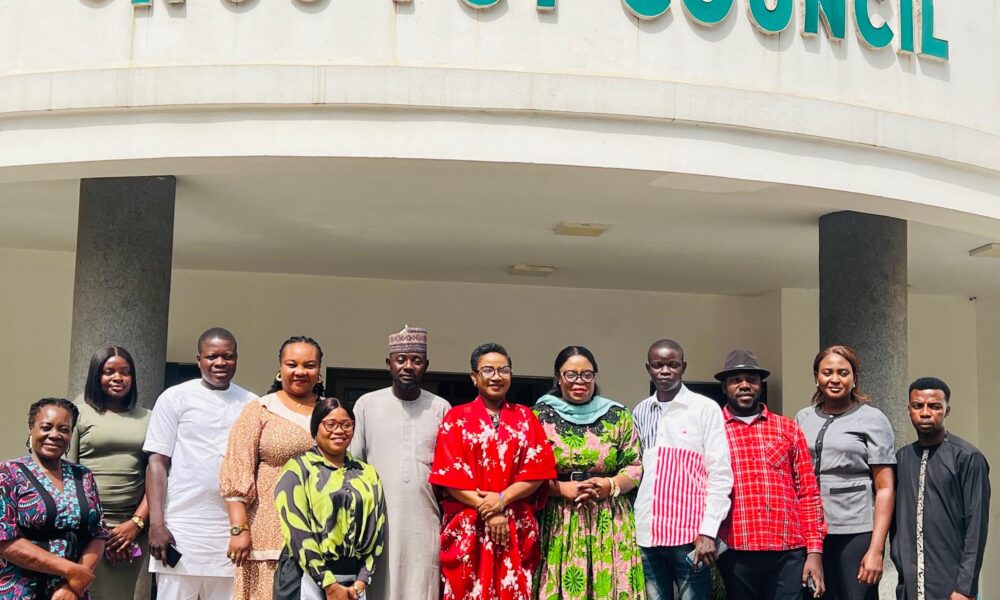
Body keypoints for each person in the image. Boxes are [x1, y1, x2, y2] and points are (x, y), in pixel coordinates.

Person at [429, 342, 557, 600]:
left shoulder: (525, 417)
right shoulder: (456, 418)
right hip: (469, 527)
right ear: (474, 377)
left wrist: (502, 500)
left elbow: (537, 471)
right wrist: (488, 509)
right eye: (488, 370)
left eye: (503, 370)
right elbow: (449, 477)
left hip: (514, 527)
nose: (496, 377)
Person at [144, 328, 257, 600]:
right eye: (212, 356)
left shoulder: (251, 403)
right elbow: (157, 463)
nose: (220, 362)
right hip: (182, 529)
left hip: (230, 533)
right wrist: (156, 524)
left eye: (227, 356)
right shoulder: (175, 397)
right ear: (199, 359)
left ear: (237, 358)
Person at [533, 345, 645, 600]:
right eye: (571, 374)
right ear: (558, 377)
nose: (579, 381)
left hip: (609, 519)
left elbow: (634, 466)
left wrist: (609, 486)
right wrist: (561, 489)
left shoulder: (618, 415)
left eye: (587, 374)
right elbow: (526, 472)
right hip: (559, 518)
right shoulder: (539, 416)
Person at [714, 348, 826, 600]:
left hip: (787, 550)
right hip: (735, 549)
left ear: (760, 385)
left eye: (751, 379)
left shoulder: (787, 428)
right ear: (724, 387)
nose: (744, 385)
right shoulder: (712, 430)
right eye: (736, 380)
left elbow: (808, 493)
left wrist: (814, 552)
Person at [348, 326, 449, 600]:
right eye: (401, 359)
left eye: (416, 360)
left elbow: (449, 472)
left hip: (425, 522)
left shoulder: (440, 408)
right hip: (378, 521)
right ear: (388, 363)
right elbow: (353, 467)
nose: (408, 366)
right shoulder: (367, 405)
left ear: (426, 365)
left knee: (421, 588)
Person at [221, 335, 323, 600]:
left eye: (309, 365)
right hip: (268, 532)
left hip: (320, 533)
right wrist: (239, 529)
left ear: (319, 371)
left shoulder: (330, 413)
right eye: (292, 364)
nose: (300, 371)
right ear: (280, 368)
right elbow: (237, 469)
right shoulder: (260, 409)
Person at [632, 339, 733, 600]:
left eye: (673, 365)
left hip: (689, 534)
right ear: (648, 369)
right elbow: (637, 471)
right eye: (658, 365)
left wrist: (708, 530)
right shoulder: (640, 411)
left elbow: (720, 474)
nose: (665, 371)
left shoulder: (704, 408)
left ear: (683, 367)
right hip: (647, 533)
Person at [794, 345, 895, 600]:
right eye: (827, 372)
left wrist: (876, 549)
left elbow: (885, 488)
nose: (835, 379)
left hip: (855, 531)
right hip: (810, 531)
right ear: (816, 376)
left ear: (854, 378)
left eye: (843, 372)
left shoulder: (872, 419)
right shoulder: (803, 418)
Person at [274, 397, 386, 600]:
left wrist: (362, 581)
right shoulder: (298, 469)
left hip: (353, 581)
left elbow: (377, 530)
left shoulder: (367, 473)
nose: (339, 430)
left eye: (346, 425)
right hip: (304, 575)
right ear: (315, 428)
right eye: (330, 424)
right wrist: (328, 584)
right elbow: (296, 531)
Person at [890, 377, 990, 600]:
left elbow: (976, 527)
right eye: (918, 406)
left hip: (951, 586)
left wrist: (965, 587)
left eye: (934, 406)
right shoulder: (902, 458)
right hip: (909, 586)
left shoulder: (967, 458)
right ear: (909, 409)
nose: (925, 413)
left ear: (947, 410)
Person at [0, 398, 109, 600]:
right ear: (31, 428)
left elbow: (98, 534)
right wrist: (71, 571)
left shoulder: (83, 476)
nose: (55, 435)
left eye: (64, 429)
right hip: (20, 590)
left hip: (70, 592)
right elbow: (4, 540)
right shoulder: (9, 473)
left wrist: (73, 586)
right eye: (46, 427)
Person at [69, 346, 151, 600]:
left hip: (130, 529)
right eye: (109, 372)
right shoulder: (78, 412)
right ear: (96, 375)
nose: (118, 378)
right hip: (85, 526)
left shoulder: (148, 417)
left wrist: (135, 524)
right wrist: (99, 532)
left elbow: (158, 476)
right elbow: (67, 472)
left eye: (125, 372)